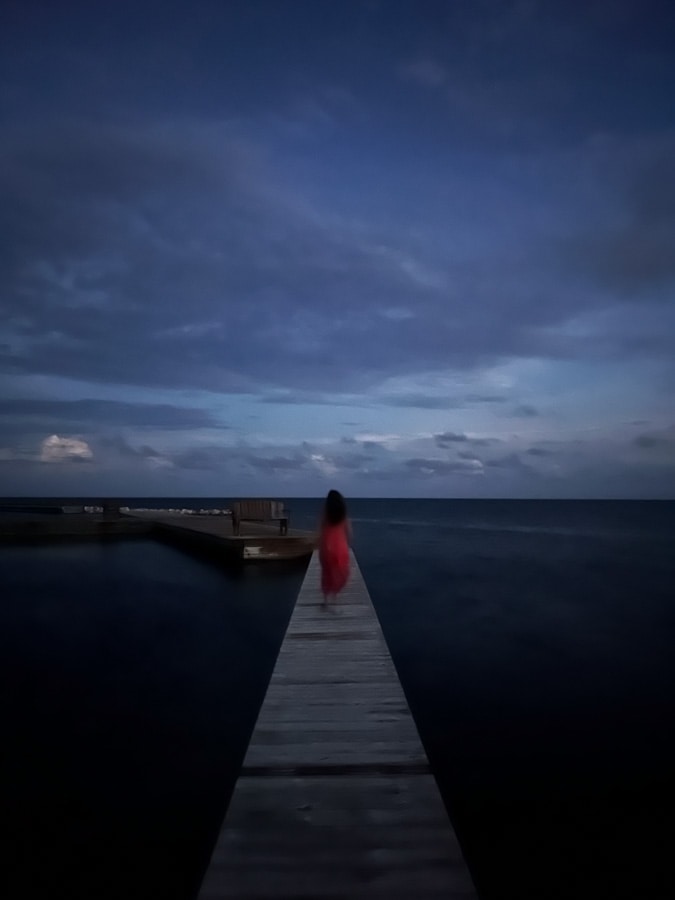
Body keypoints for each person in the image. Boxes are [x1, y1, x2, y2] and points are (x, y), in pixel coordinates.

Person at [318, 489, 352, 606]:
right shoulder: (343, 515)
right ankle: (334, 595)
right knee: (341, 572)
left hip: (326, 547)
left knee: (326, 573)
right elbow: (349, 532)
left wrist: (319, 544)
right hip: (340, 548)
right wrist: (349, 543)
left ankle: (326, 599)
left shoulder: (326, 514)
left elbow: (321, 530)